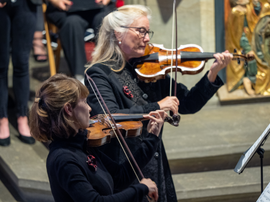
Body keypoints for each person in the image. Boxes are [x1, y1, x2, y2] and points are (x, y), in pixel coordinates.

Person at [85, 4, 233, 202]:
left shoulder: (151, 70)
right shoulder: (100, 73)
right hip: (125, 165)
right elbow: (110, 116)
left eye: (148, 32)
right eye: (141, 32)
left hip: (154, 159)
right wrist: (156, 106)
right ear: (118, 34)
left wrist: (212, 74)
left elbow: (188, 103)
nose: (147, 39)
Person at [29, 73, 168, 202]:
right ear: (68, 109)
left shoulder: (83, 145)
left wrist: (152, 138)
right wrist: (140, 188)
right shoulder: (64, 160)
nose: (90, 109)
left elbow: (119, 177)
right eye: (84, 102)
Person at [45, 0, 116, 83]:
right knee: (72, 23)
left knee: (105, 21)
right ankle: (80, 77)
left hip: (98, 7)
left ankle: (109, 70)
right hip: (65, 10)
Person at [0, 0, 38, 146]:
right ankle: (2, 118)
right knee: (1, 65)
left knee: (22, 63)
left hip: (26, 4)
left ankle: (22, 116)